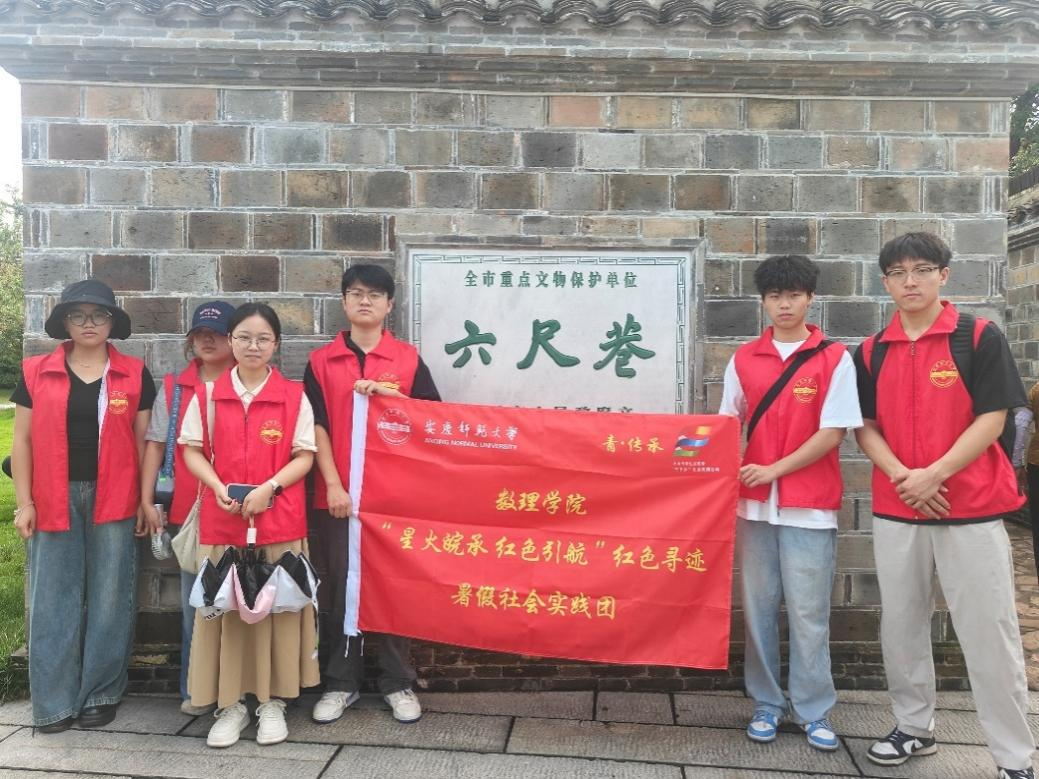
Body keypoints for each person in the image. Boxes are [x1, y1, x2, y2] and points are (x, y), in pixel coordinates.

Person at [853, 232, 1035, 779]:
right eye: (898, 273)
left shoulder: (976, 337)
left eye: (922, 270)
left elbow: (994, 417)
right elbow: (865, 426)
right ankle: (914, 727)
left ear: (943, 275)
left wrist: (935, 474)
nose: (910, 281)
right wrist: (904, 477)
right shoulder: (871, 350)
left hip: (970, 507)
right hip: (898, 506)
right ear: (885, 282)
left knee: (990, 632)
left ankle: (1014, 757)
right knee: (902, 625)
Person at [718, 255, 861, 751]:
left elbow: (834, 432)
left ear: (810, 298)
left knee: (808, 613)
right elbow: (726, 427)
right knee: (757, 610)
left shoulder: (834, 358)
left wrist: (774, 469)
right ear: (763, 301)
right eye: (776, 296)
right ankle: (766, 703)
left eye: (794, 295)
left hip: (810, 507)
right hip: (754, 507)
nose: (785, 304)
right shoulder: (743, 359)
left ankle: (813, 709)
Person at [10, 279, 157, 732]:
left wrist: (144, 500)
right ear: (65, 322)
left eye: (99, 315)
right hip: (52, 496)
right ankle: (52, 702)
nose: (89, 323)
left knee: (111, 597)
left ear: (112, 322)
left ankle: (100, 693)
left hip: (116, 496)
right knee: (52, 598)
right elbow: (21, 441)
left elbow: (145, 444)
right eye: (78, 315)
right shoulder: (36, 372)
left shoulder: (133, 373)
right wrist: (23, 502)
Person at [179, 303, 319, 748]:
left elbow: (305, 455)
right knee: (225, 615)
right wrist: (217, 486)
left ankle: (273, 702)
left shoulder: (294, 396)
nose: (252, 346)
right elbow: (191, 450)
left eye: (262, 338)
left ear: (276, 344)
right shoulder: (207, 395)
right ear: (230, 341)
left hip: (279, 522)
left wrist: (269, 488)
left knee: (278, 614)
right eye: (243, 337)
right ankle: (230, 705)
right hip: (223, 523)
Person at [305, 264, 440, 725]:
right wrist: (333, 484)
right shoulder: (322, 362)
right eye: (357, 293)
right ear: (344, 302)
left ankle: (398, 681)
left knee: (394, 588)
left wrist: (388, 395)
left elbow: (431, 421)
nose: (365, 301)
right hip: (340, 497)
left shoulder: (407, 359)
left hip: (394, 499)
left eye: (375, 295)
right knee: (341, 587)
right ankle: (341, 683)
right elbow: (316, 427)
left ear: (389, 304)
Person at [139, 301, 236, 716]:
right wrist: (147, 499)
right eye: (200, 333)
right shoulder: (175, 388)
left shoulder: (248, 381)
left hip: (237, 508)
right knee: (196, 603)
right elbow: (155, 445)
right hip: (188, 512)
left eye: (217, 333)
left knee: (240, 602)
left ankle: (236, 689)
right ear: (191, 339)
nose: (208, 340)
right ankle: (195, 689)